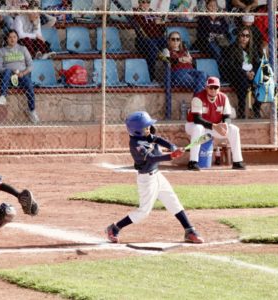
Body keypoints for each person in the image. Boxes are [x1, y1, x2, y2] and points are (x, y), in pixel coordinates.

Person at [105, 111, 204, 244]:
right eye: (146, 127)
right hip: (146, 180)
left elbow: (158, 139)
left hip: (157, 175)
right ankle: (115, 228)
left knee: (173, 201)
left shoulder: (146, 135)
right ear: (137, 130)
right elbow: (151, 158)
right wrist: (171, 156)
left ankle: (189, 230)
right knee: (143, 212)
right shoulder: (136, 145)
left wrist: (172, 147)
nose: (149, 128)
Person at [185, 77, 246, 171]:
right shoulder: (198, 97)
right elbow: (197, 119)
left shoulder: (223, 98)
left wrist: (226, 124)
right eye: (211, 87)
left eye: (216, 87)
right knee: (198, 128)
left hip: (213, 127)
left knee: (234, 129)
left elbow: (227, 117)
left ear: (219, 88)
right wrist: (215, 126)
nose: (213, 90)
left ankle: (237, 162)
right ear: (206, 87)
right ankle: (193, 162)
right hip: (193, 125)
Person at [0, 30, 39, 123]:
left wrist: (23, 73)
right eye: (10, 37)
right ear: (6, 39)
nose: (12, 39)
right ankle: (3, 96)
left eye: (14, 37)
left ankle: (32, 110)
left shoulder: (23, 49)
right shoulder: (1, 51)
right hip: (8, 78)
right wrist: (11, 71)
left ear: (17, 38)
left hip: (21, 76)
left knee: (29, 85)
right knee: (7, 71)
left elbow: (31, 65)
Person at [221, 26, 261, 118]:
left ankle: (256, 107)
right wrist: (245, 73)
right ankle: (241, 110)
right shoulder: (232, 48)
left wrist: (253, 72)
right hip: (237, 73)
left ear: (250, 38)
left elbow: (257, 63)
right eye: (242, 35)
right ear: (239, 36)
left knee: (262, 83)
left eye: (247, 36)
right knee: (243, 83)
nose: (244, 38)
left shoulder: (253, 48)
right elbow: (232, 65)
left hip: (250, 73)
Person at [132, 0, 167, 82]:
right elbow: (143, 30)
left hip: (157, 39)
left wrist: (162, 23)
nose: (146, 4)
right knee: (152, 49)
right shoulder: (136, 13)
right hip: (143, 40)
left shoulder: (153, 13)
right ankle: (151, 77)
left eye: (148, 2)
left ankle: (169, 73)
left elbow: (161, 31)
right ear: (139, 2)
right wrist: (154, 23)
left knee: (167, 44)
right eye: (143, 2)